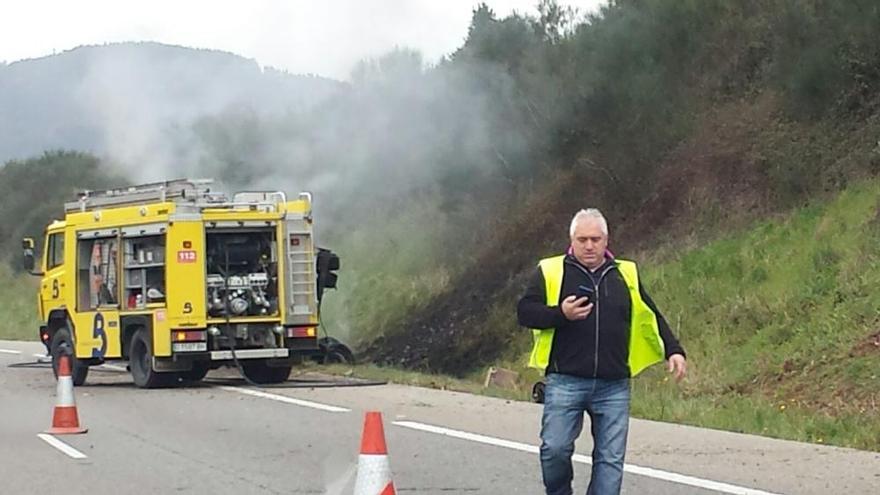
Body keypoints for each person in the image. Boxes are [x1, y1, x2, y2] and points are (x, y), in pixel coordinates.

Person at [517, 208, 687, 495]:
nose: (589, 246)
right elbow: (525, 312)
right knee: (554, 450)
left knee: (610, 461)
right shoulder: (551, 270)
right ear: (572, 240)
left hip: (614, 384)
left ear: (606, 240)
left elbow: (650, 314)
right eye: (582, 239)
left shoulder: (625, 273)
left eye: (595, 239)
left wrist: (674, 349)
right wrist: (561, 313)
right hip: (565, 380)